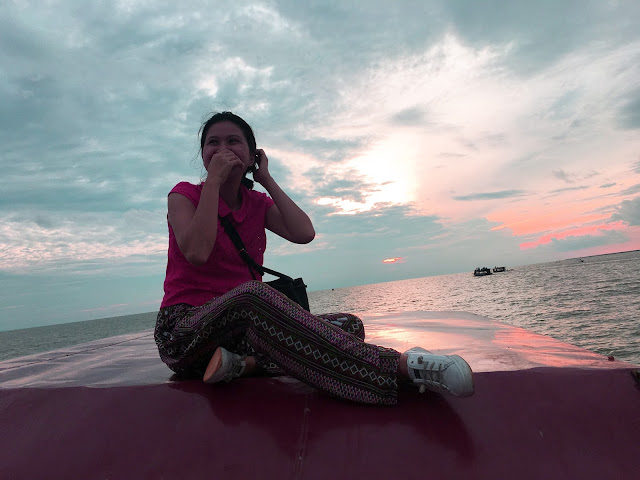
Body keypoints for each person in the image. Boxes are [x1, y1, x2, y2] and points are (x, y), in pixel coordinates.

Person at [154, 111, 474, 405]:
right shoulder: (184, 195)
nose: (222, 148)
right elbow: (196, 253)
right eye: (213, 143)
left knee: (348, 325)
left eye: (233, 141)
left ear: (252, 156)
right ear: (203, 155)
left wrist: (266, 179)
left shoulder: (257, 202)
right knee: (251, 295)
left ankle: (243, 365)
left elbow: (304, 232)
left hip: (241, 335)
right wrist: (213, 182)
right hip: (184, 333)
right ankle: (400, 367)